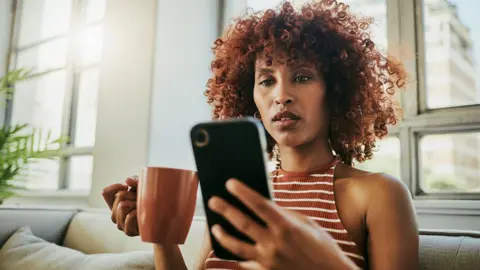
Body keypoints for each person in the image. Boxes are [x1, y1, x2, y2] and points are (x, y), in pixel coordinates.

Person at [102, 1, 419, 269]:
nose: (282, 95)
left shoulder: (379, 195)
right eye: (266, 80)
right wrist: (162, 238)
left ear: (335, 92)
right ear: (249, 96)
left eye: (302, 76)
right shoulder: (236, 194)